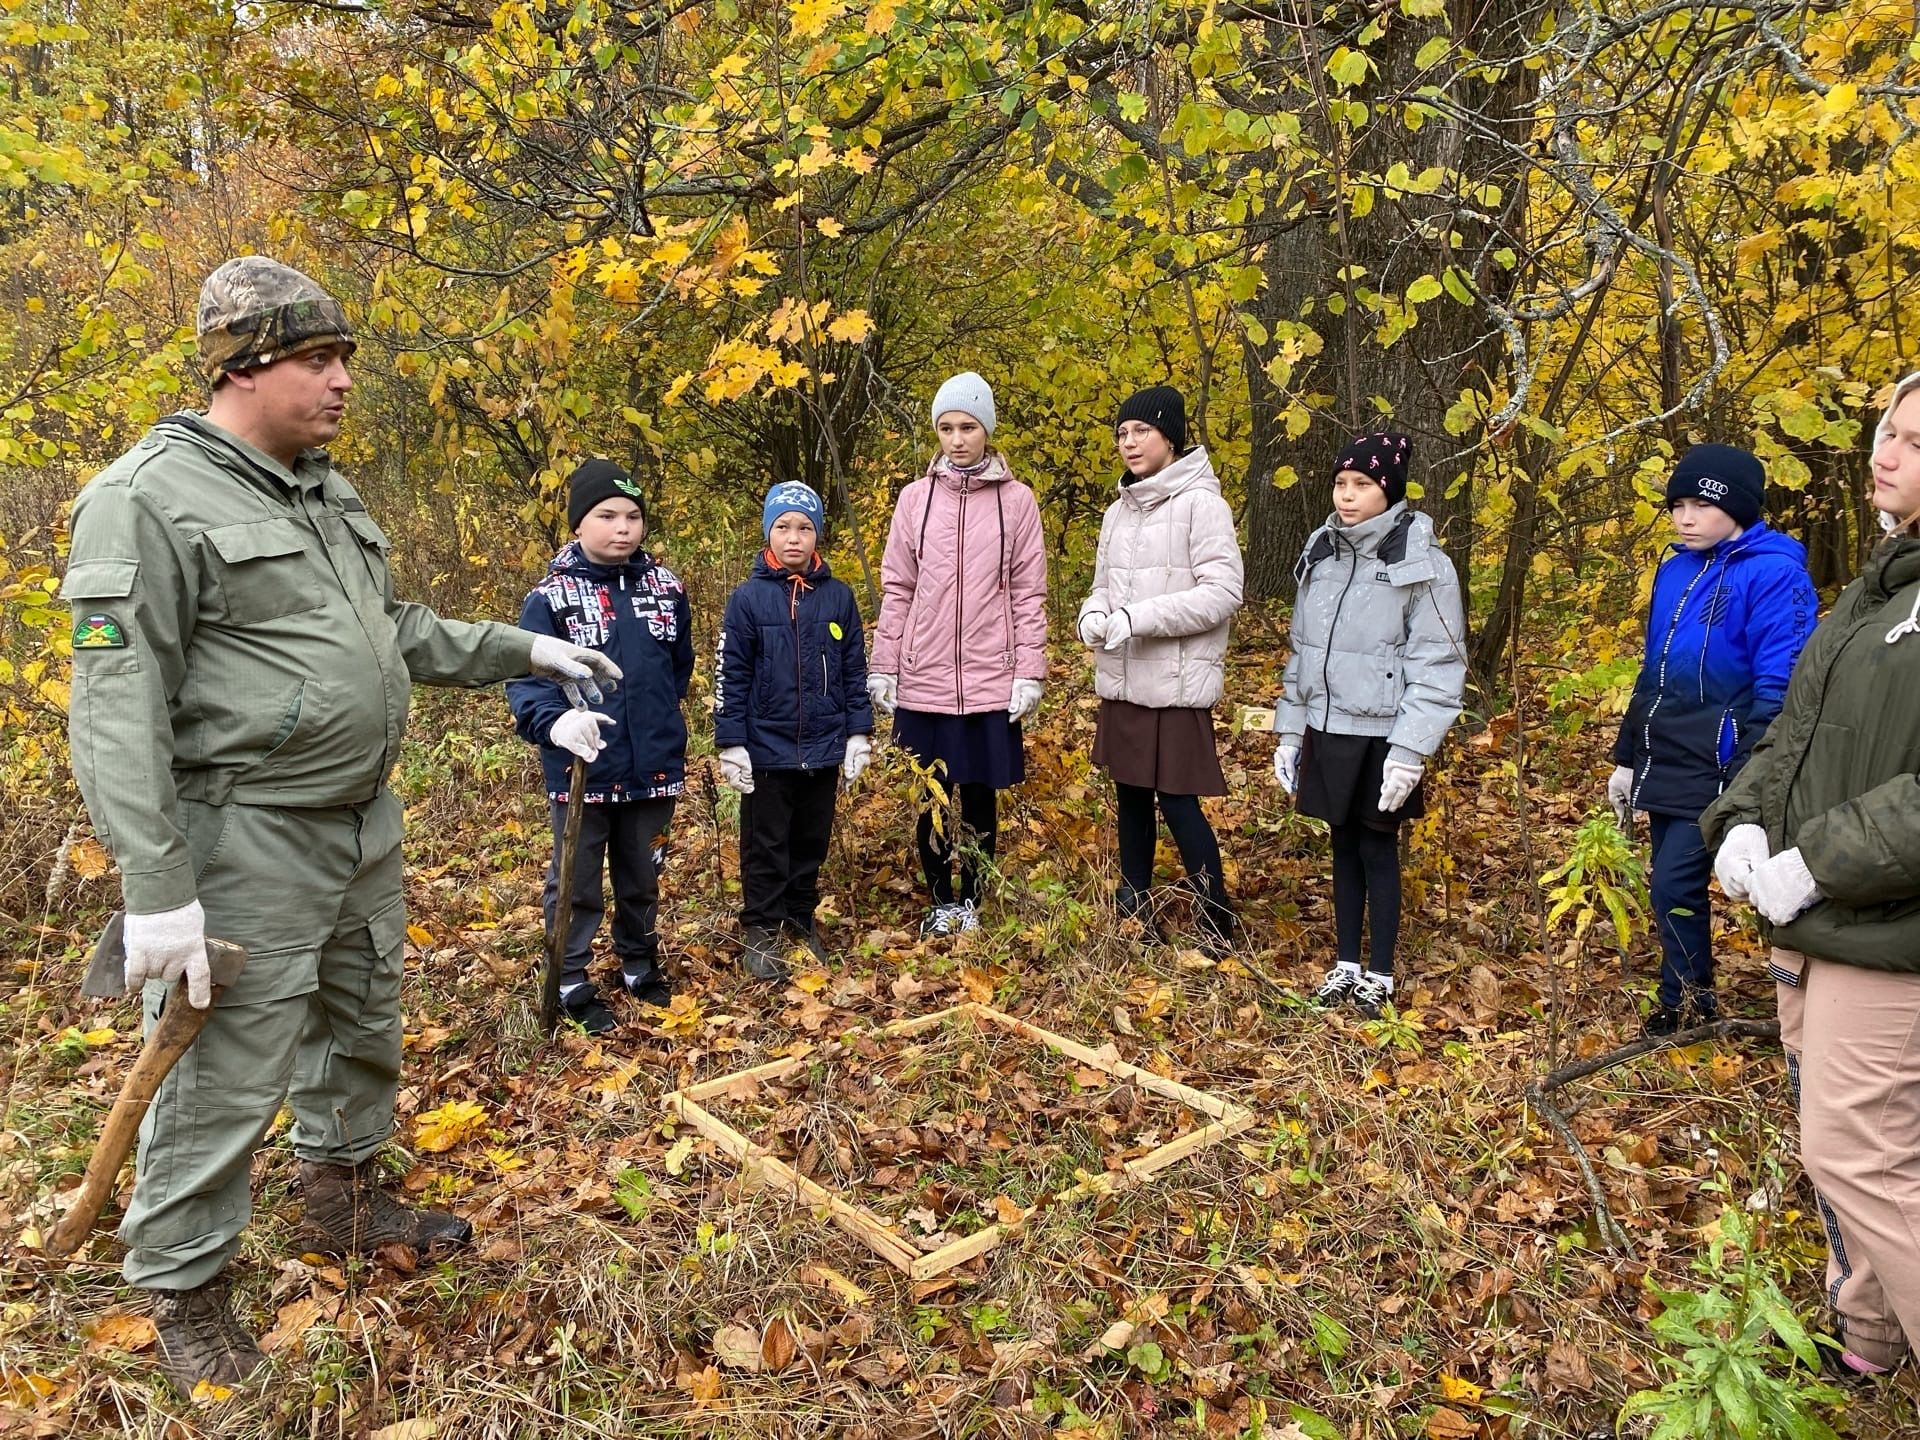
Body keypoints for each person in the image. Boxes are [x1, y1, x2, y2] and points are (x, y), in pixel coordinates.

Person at [58, 257, 620, 1391]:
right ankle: (182, 1286)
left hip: (359, 822)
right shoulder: (149, 497)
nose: (343, 381)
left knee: (362, 1020)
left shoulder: (321, 487)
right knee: (227, 1066)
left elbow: (388, 626)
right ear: (245, 368)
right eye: (319, 360)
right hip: (245, 835)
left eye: (346, 358)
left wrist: (526, 649)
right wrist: (157, 885)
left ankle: (345, 1196)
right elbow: (115, 709)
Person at [1702, 371, 1920, 1379]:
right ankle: (1869, 1338)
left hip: (1888, 930)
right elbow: (1796, 734)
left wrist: (1818, 863)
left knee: (1857, 1154)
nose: (1885, 453)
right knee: (1846, 1150)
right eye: (1889, 432)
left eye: (1913, 443)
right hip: (1816, 922)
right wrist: (1742, 821)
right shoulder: (1879, 589)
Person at [1608, 444, 1816, 1035]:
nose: (1685, 518)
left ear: (1740, 507)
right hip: (1668, 750)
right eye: (1677, 504)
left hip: (1727, 760)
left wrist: (1749, 774)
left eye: (1701, 504)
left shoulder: (1776, 574)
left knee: (1685, 880)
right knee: (1670, 884)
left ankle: (1697, 1002)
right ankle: (1690, 999)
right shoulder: (1676, 568)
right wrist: (1627, 756)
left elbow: (1781, 681)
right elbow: (1655, 669)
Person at [1274, 432, 1465, 1018]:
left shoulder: (1422, 562)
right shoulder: (1322, 550)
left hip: (1383, 733)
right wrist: (1290, 731)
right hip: (1328, 726)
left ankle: (1380, 971)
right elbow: (1302, 649)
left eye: (1362, 485)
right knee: (1340, 846)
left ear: (1390, 490)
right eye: (1340, 483)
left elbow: (1438, 662)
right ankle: (1346, 964)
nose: (1348, 496)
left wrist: (1410, 750)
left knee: (1377, 848)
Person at [507, 458, 692, 1034]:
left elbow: (677, 668)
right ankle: (569, 978)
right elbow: (527, 679)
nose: (623, 527)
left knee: (644, 871)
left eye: (633, 516)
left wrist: (659, 723)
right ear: (578, 524)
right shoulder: (552, 598)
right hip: (582, 770)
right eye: (607, 515)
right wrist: (555, 724)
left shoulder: (666, 589)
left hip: (654, 767)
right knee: (578, 879)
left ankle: (639, 963)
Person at [868, 372, 1047, 937]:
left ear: (987, 430)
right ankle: (939, 899)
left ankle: (972, 899)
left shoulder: (1017, 502)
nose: (957, 438)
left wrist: (1029, 672)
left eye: (968, 426)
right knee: (929, 790)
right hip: (925, 677)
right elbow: (898, 587)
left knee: (976, 790)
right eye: (946, 428)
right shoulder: (915, 500)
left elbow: (1027, 591)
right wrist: (884, 663)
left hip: (990, 674)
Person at [1077, 384, 1244, 953]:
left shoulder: (1204, 504)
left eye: (1141, 431)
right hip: (1124, 679)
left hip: (1175, 684)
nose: (1129, 442)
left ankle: (1218, 919)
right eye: (1122, 433)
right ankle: (1133, 908)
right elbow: (1103, 587)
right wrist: (1093, 614)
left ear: (1169, 436)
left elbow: (1223, 592)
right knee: (1128, 796)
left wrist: (1138, 617)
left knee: (1177, 801)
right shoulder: (1116, 513)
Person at [713, 481, 874, 979]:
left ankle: (800, 919)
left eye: (804, 528)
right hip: (766, 748)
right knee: (766, 840)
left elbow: (853, 669)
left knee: (810, 840)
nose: (793, 538)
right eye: (783, 527)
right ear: (768, 532)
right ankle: (761, 926)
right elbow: (731, 673)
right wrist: (731, 741)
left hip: (823, 747)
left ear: (817, 536)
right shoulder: (748, 599)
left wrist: (858, 733)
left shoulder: (839, 598)